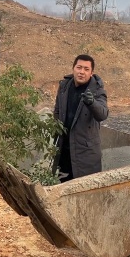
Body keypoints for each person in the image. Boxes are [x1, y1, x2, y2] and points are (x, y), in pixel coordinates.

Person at [52, 54, 108, 182]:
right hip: (64, 149)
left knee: (84, 190)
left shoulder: (98, 91)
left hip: (85, 154)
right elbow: (57, 111)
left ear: (92, 73)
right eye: (79, 67)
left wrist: (92, 103)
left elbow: (103, 114)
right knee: (62, 186)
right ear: (73, 68)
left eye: (86, 69)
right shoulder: (64, 86)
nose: (82, 72)